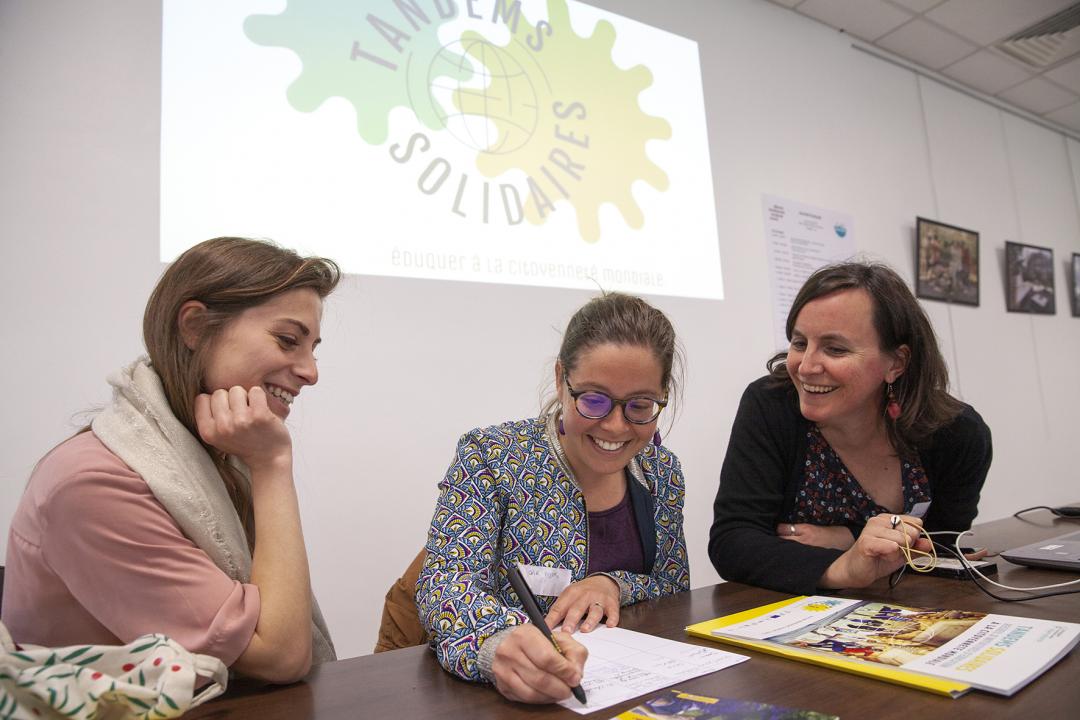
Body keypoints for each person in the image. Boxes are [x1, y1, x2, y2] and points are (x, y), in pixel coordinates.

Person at [2, 237, 339, 682]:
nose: (311, 372)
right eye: (288, 340)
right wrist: (273, 465)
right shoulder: (90, 485)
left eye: (313, 349)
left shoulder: (221, 457)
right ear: (195, 327)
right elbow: (279, 657)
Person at [417, 293, 690, 704]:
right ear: (562, 379)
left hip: (631, 692)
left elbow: (673, 588)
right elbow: (444, 587)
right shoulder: (493, 457)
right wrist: (499, 644)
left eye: (639, 405)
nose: (615, 427)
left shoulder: (661, 472)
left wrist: (613, 584)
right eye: (594, 400)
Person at [709, 261, 992, 594]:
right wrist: (843, 567)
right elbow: (733, 543)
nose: (806, 367)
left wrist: (847, 538)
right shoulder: (771, 404)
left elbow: (939, 545)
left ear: (896, 363)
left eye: (835, 349)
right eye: (799, 343)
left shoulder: (957, 432)